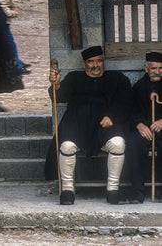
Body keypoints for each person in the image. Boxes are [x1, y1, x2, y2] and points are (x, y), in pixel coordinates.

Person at [47, 46, 132, 205]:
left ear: (104, 62)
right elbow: (58, 97)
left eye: (99, 61)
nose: (95, 65)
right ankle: (67, 190)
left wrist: (113, 117)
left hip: (105, 126)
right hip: (77, 125)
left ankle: (113, 190)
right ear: (84, 64)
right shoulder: (74, 78)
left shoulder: (117, 78)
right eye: (91, 62)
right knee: (66, 146)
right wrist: (56, 85)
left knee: (118, 144)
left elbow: (127, 102)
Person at [126, 52, 162, 203]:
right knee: (133, 143)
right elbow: (131, 110)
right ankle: (138, 190)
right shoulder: (139, 87)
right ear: (146, 69)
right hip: (145, 129)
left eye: (161, 68)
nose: (157, 72)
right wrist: (140, 125)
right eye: (154, 68)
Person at [0, 0, 30, 74]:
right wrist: (13, 13)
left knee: (9, 47)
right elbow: (5, 11)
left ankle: (18, 63)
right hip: (2, 28)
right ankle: (17, 66)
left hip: (1, 27)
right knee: (11, 46)